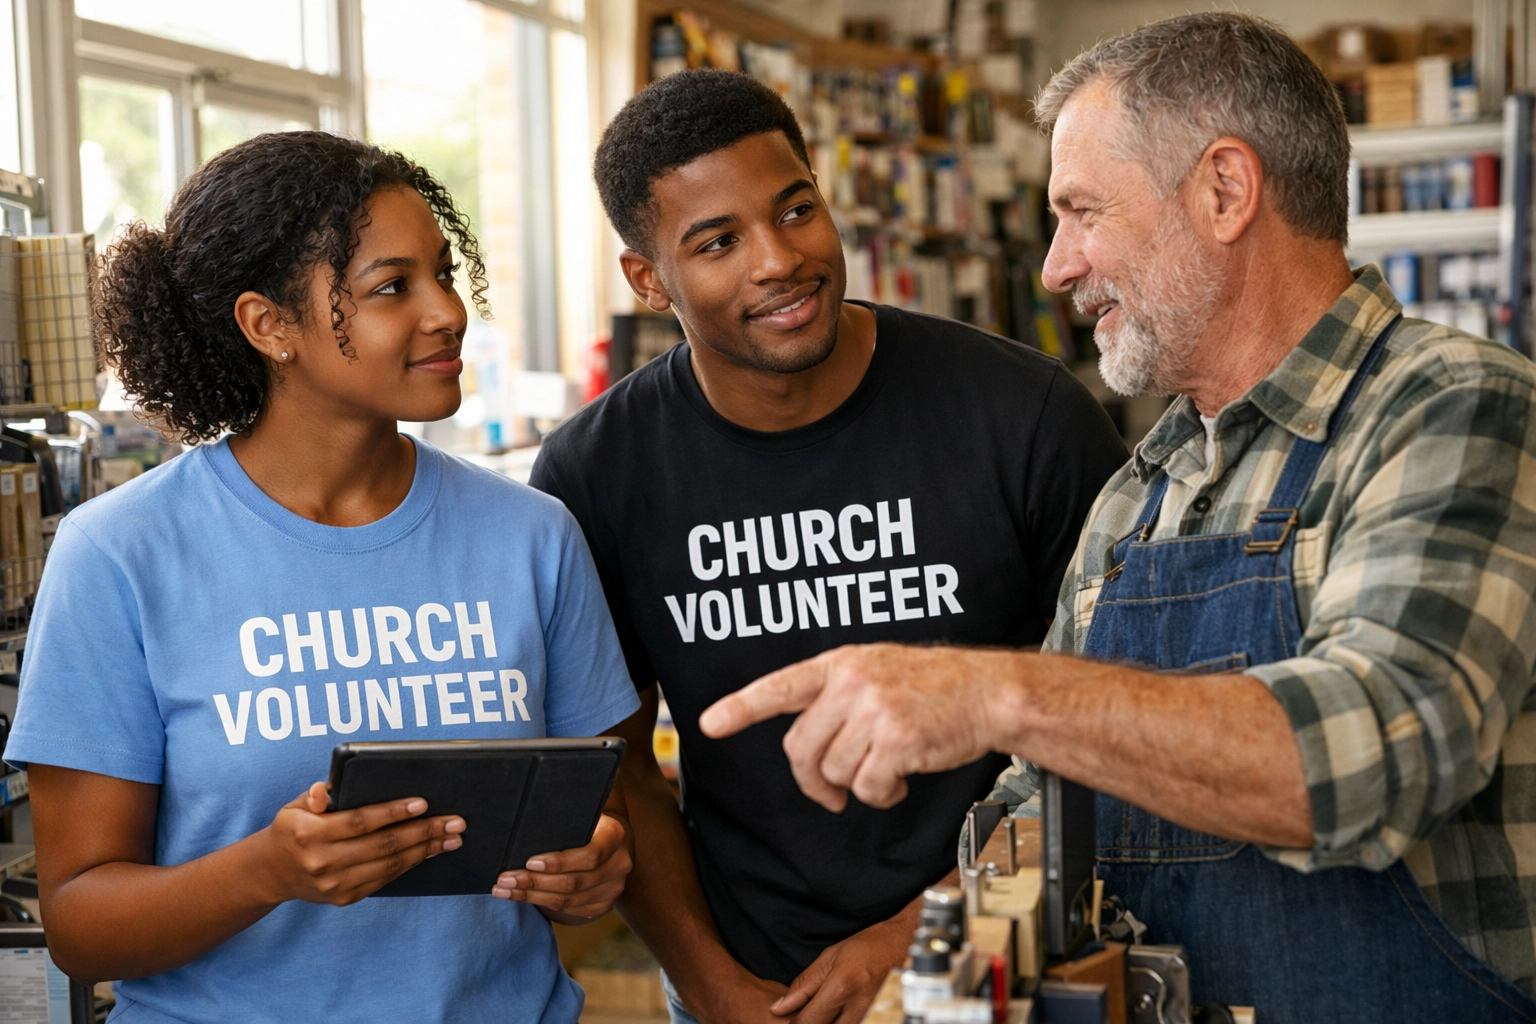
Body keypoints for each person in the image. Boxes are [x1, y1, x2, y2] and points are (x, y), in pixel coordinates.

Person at [700, 14, 1536, 1023]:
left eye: (1082, 212)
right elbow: (1041, 803)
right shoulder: (1141, 491)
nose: (1055, 268)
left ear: (1224, 191)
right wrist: (938, 958)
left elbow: (1384, 749)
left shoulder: (1452, 406)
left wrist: (994, 693)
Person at [531, 69, 1126, 1024]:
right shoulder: (595, 472)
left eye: (795, 209)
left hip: (1008, 955)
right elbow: (619, 766)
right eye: (718, 242)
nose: (779, 260)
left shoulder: (1026, 416)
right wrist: (713, 986)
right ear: (647, 279)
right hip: (751, 984)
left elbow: (1119, 722)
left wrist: (919, 935)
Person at [4, 132, 640, 1024]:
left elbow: (604, 825)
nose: (448, 312)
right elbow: (80, 926)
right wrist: (265, 871)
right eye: (392, 288)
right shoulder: (119, 555)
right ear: (269, 326)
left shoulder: (532, 537)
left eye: (443, 274)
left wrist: (595, 868)